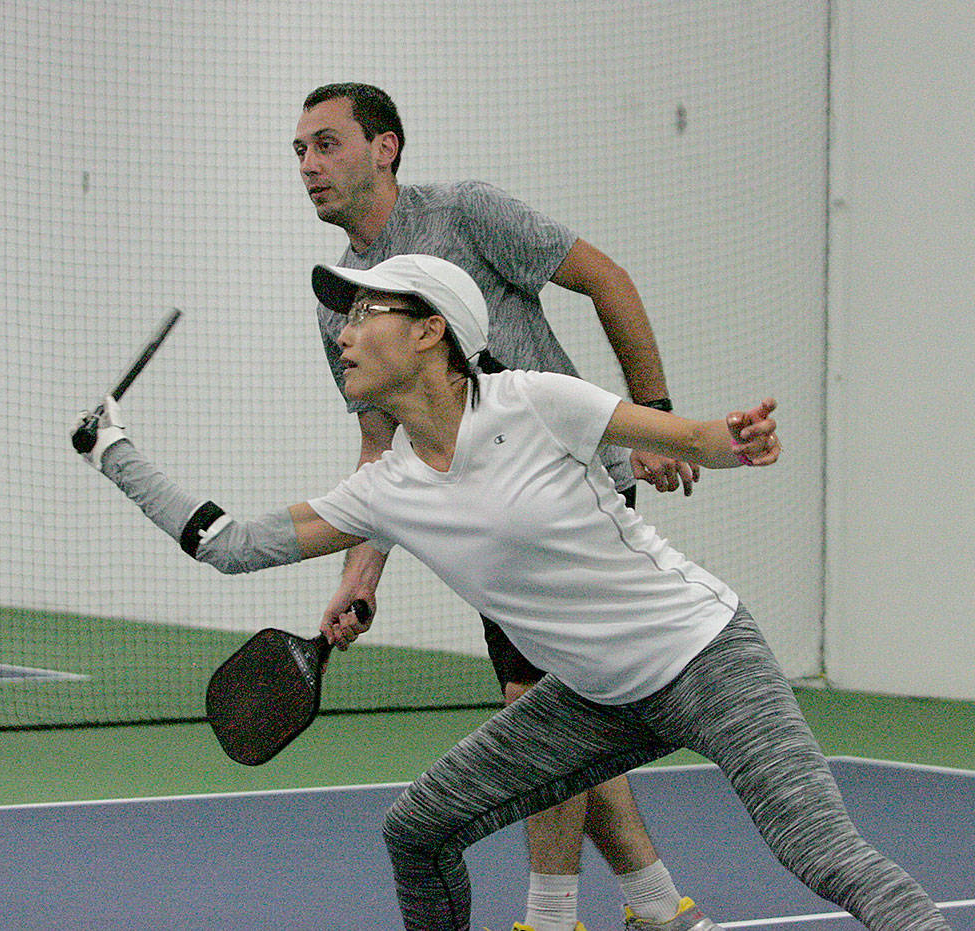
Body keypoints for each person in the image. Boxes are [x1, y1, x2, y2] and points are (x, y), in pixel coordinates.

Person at [74, 254, 950, 931]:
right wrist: (116, 451)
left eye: (365, 310)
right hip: (596, 698)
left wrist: (735, 439)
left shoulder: (533, 401)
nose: (342, 329)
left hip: (704, 654)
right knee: (417, 828)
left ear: (430, 332)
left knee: (817, 847)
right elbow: (228, 544)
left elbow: (689, 436)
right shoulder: (385, 488)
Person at [293, 82, 706, 931]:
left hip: (561, 490)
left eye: (327, 144)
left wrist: (656, 419)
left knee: (538, 709)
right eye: (299, 152)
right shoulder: (336, 293)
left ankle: (554, 916)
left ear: (386, 148)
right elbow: (382, 451)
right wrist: (359, 575)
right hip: (480, 520)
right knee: (562, 711)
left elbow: (607, 280)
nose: (308, 166)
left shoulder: (468, 213)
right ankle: (659, 908)